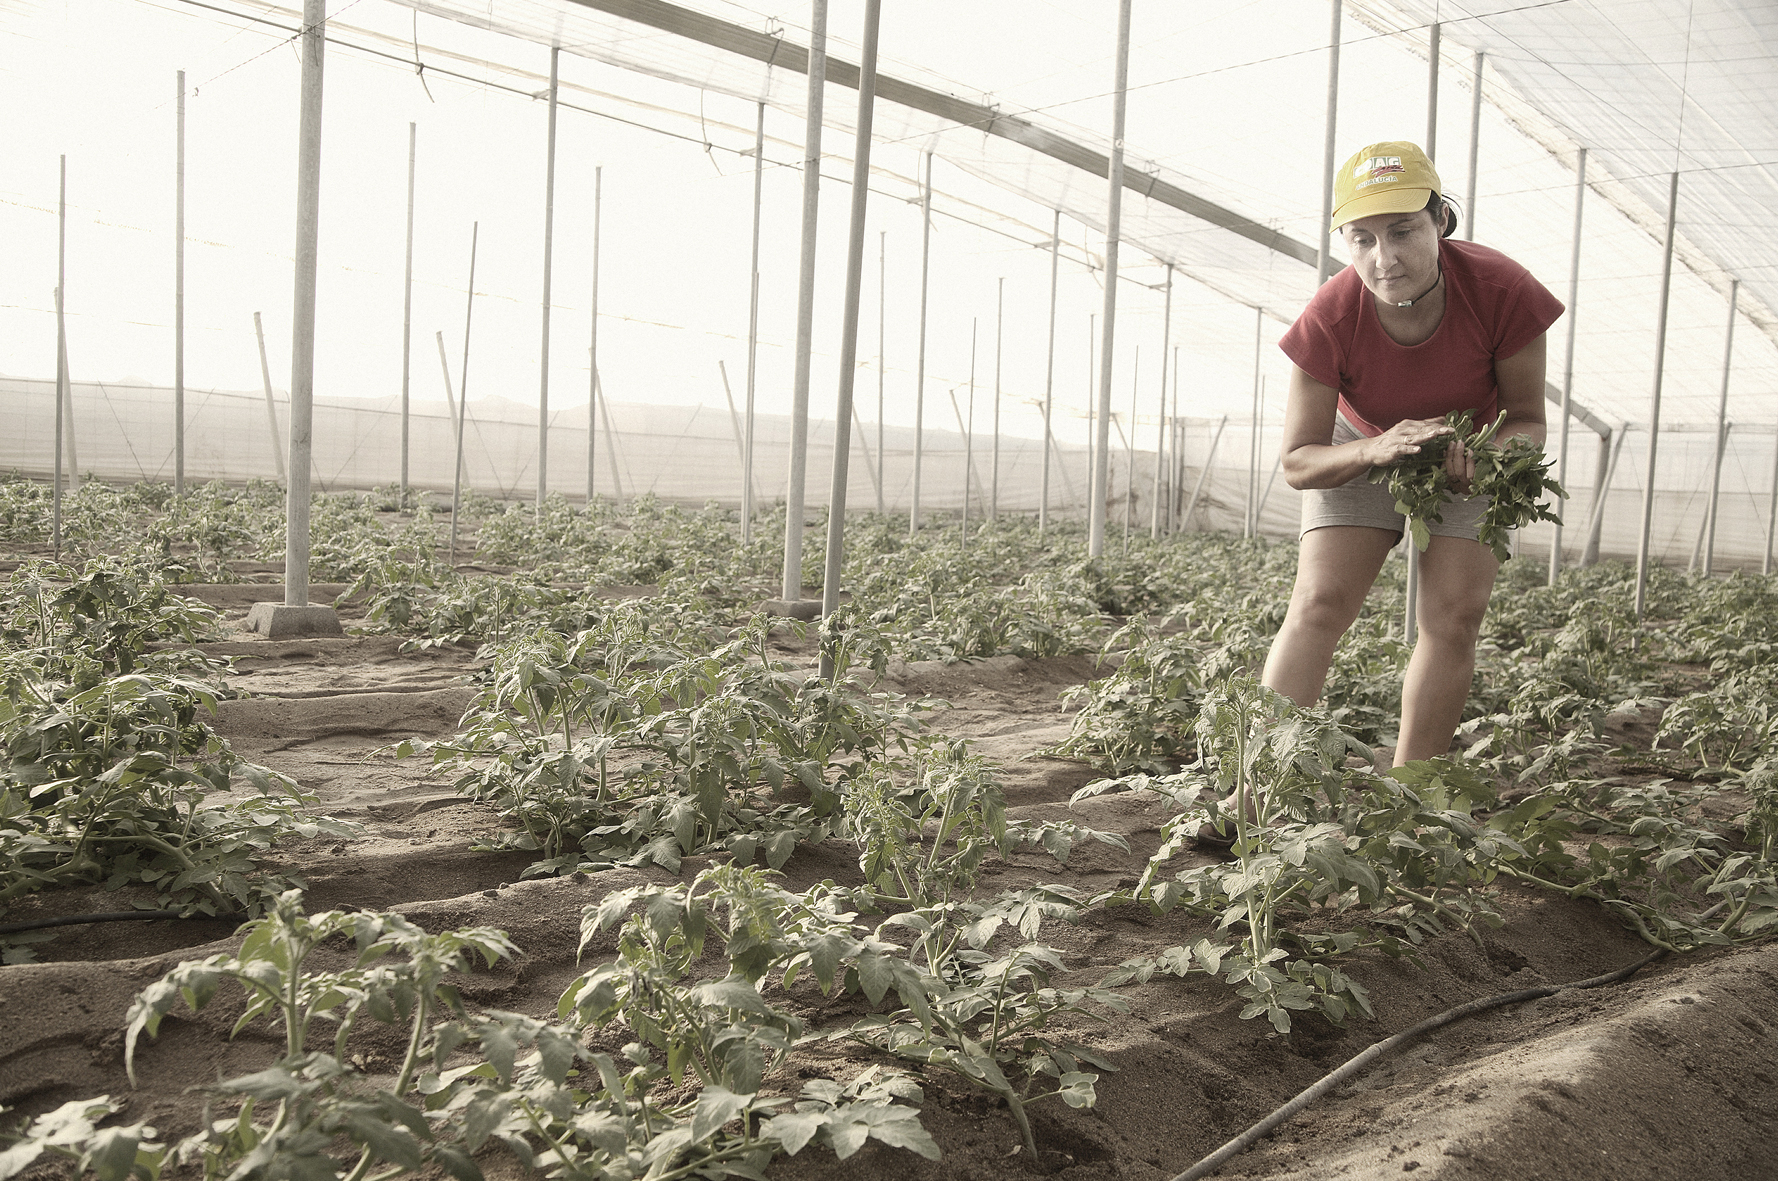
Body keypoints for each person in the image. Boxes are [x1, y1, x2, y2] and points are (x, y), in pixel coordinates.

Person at [1260, 140, 1565, 771]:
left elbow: (1528, 420)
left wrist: (1487, 460)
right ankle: (1255, 787)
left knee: (1455, 616)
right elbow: (1298, 461)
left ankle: (1412, 789)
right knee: (1319, 602)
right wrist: (1376, 447)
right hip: (1360, 443)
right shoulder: (1330, 316)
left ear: (1441, 222)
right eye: (1363, 239)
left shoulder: (1501, 290)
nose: (1385, 257)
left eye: (1403, 231)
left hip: (1472, 442)